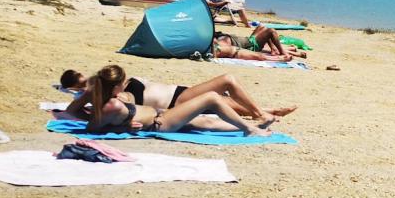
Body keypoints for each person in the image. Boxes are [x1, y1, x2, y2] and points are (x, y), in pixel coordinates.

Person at [81, 65, 273, 137]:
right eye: (122, 83)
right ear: (115, 87)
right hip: (160, 123)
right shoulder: (112, 104)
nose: (125, 85)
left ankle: (255, 125)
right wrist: (123, 129)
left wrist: (121, 126)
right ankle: (251, 130)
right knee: (212, 98)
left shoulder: (109, 100)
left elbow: (96, 125)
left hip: (162, 116)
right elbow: (92, 129)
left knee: (208, 123)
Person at [60, 69, 296, 125]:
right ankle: (261, 113)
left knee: (224, 98)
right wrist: (91, 115)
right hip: (175, 103)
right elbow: (71, 111)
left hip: (178, 93)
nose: (84, 79)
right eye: (78, 81)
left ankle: (266, 109)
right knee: (227, 83)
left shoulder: (105, 79)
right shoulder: (115, 97)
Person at [212, 31, 297, 62]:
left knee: (262, 27)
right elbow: (229, 49)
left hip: (248, 40)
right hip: (250, 44)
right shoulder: (217, 45)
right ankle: (282, 52)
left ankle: (274, 49)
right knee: (271, 31)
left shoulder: (215, 39)